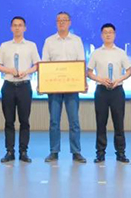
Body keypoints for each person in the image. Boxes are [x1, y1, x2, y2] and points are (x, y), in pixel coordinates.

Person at [42, 11, 87, 163]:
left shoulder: (76, 40)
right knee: (54, 121)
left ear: (69, 23)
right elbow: (45, 63)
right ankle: (54, 151)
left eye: (64, 20)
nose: (61, 22)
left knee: (74, 121)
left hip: (72, 87)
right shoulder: (49, 41)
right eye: (59, 20)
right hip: (54, 88)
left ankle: (76, 151)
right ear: (56, 23)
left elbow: (81, 62)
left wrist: (82, 82)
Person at [0, 16, 40, 163]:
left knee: (24, 120)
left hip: (24, 86)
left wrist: (27, 71)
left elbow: (37, 65)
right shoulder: (4, 46)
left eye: (20, 25)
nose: (17, 28)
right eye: (15, 25)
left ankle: (23, 151)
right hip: (8, 85)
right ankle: (9, 151)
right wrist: (9, 70)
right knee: (9, 120)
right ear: (11, 28)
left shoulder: (31, 45)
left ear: (25, 28)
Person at [87, 23, 131, 164]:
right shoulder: (96, 53)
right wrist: (101, 79)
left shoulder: (121, 52)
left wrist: (119, 80)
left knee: (119, 123)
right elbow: (89, 72)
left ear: (114, 35)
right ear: (101, 35)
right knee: (101, 123)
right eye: (105, 32)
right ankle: (100, 153)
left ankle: (121, 153)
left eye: (110, 32)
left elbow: (129, 71)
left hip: (117, 91)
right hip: (101, 90)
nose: (108, 34)